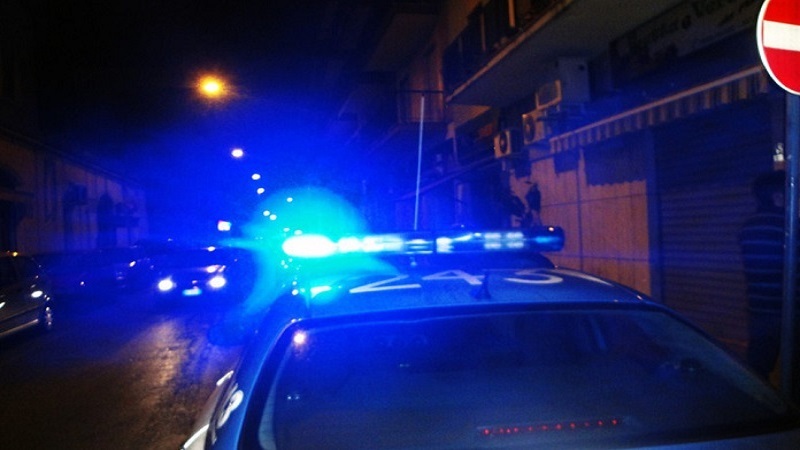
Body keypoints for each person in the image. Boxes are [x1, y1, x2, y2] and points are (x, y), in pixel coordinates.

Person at [739, 170, 786, 380]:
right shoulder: (789, 227)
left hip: (759, 309)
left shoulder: (748, 228)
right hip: (789, 311)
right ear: (778, 196)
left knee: (758, 368)